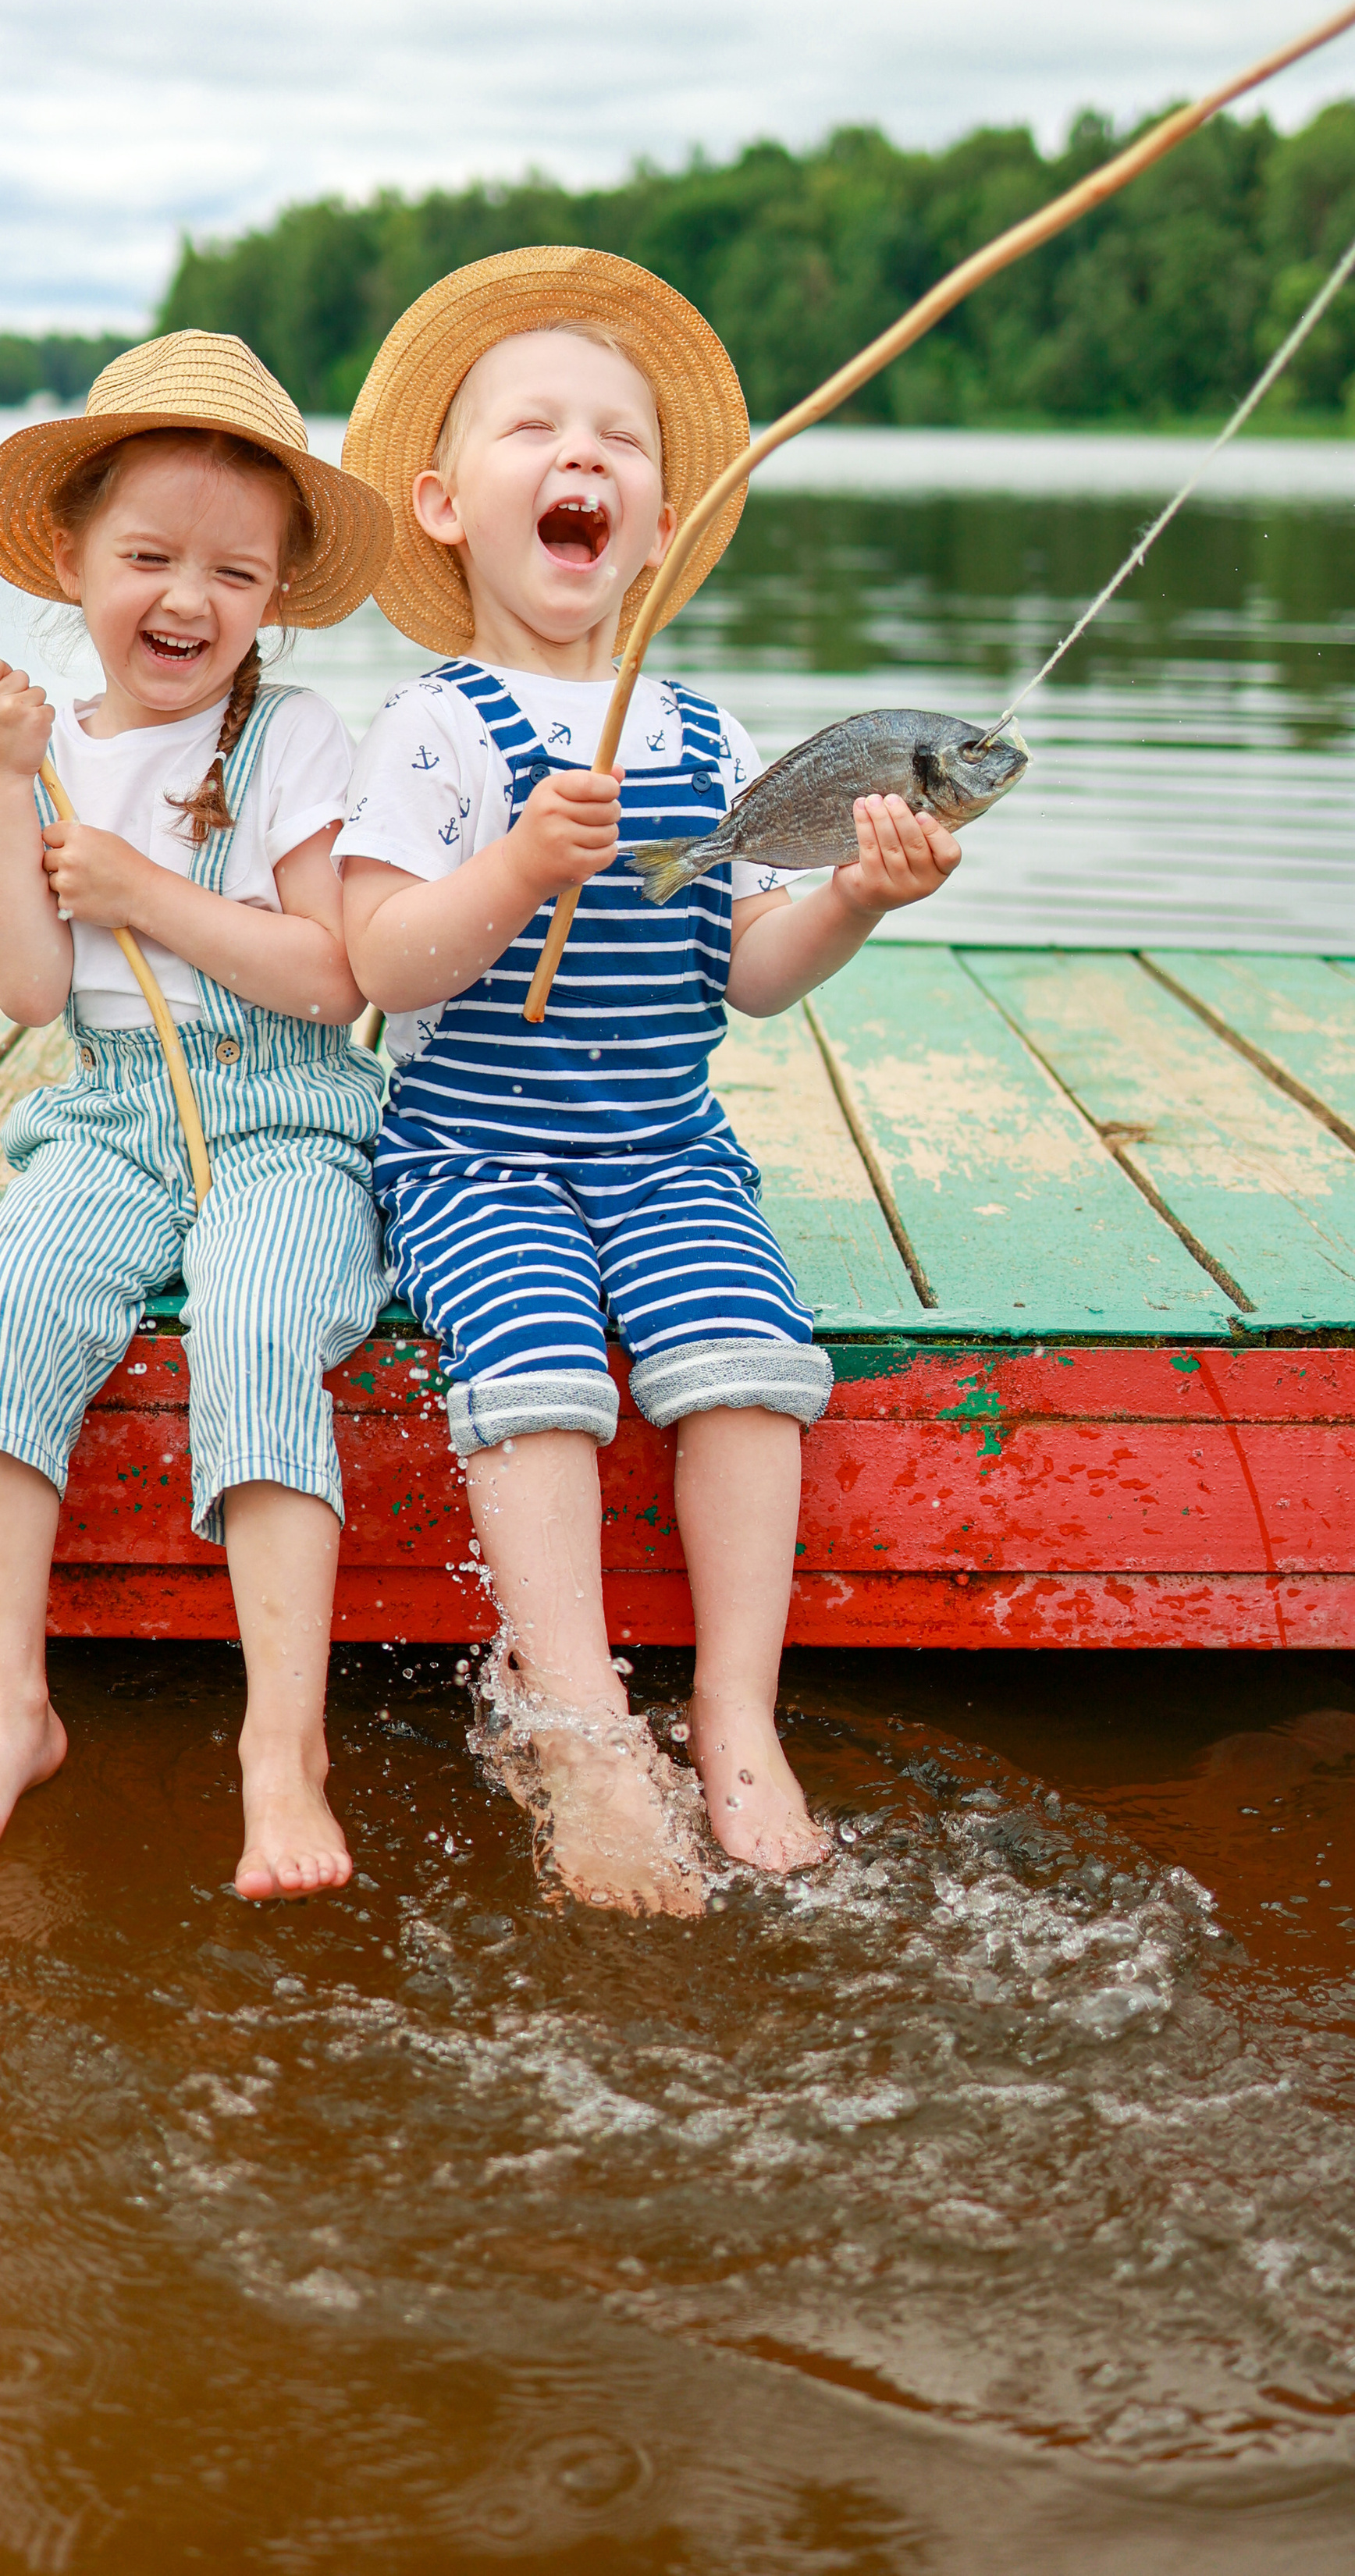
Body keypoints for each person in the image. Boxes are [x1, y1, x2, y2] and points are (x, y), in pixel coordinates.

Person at [335, 247, 961, 1916]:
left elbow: (748, 974)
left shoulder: (702, 728)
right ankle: (583, 1725)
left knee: (747, 1367)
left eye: (615, 438)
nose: (580, 455)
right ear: (444, 500)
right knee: (536, 1372)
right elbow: (382, 963)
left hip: (669, 1150)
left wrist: (849, 893)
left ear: (657, 523)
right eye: (532, 427)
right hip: (479, 1154)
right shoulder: (434, 728)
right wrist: (519, 865)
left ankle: (735, 1713)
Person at [0, 332, 393, 1898]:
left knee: (253, 1325)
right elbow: (28, 991)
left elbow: (330, 978)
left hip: (282, 1115)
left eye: (233, 573)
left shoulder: (292, 736)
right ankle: (10, 1711)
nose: (187, 599)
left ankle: (279, 1741)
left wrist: (147, 892)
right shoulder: (52, 748)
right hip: (111, 1115)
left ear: (275, 594)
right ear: (71, 558)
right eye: (147, 557)